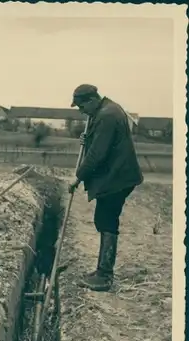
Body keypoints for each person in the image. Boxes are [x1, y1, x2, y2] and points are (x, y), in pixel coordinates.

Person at [68, 84, 143, 292]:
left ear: (92, 100)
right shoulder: (105, 111)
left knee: (107, 221)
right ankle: (102, 270)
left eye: (82, 107)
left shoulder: (107, 115)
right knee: (104, 219)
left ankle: (104, 276)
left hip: (117, 178)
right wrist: (88, 138)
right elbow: (100, 141)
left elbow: (97, 155)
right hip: (116, 176)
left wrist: (78, 178)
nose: (81, 111)